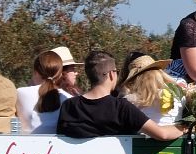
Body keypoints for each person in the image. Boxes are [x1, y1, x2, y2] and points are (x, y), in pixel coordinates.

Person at [57, 50, 188, 140]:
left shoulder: (69, 106)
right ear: (111, 74)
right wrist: (185, 126)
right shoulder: (121, 107)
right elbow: (162, 134)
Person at [15, 49, 72, 134]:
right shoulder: (69, 99)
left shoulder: (20, 93)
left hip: (24, 145)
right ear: (60, 74)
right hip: (54, 147)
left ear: (35, 72)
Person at [117, 54, 183, 125]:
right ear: (160, 72)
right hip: (175, 134)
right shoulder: (179, 94)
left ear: (135, 79)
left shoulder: (129, 101)